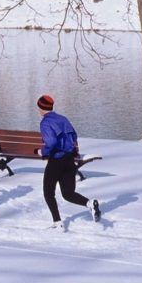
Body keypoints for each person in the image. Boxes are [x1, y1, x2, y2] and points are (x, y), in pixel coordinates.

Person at [34, 94, 101, 230]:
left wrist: (42, 151)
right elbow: (74, 135)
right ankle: (89, 203)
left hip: (56, 161)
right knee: (68, 193)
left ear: (41, 108)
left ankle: (57, 223)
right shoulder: (63, 119)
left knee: (48, 193)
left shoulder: (45, 122)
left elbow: (51, 142)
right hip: (69, 160)